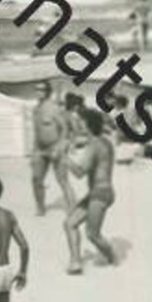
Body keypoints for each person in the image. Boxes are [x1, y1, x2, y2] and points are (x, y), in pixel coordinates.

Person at [64, 109, 117, 274]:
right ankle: (75, 263)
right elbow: (87, 145)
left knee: (92, 234)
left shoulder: (94, 145)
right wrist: (75, 144)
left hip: (100, 194)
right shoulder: (104, 141)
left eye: (82, 122)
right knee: (69, 224)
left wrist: (64, 158)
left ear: (88, 125)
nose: (79, 125)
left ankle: (112, 258)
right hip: (101, 192)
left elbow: (80, 172)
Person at [29, 83, 73, 215]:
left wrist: (59, 148)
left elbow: (65, 129)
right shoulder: (36, 110)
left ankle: (72, 208)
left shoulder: (54, 108)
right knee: (36, 179)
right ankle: (40, 207)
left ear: (47, 92)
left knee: (62, 180)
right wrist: (33, 151)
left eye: (41, 90)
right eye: (37, 89)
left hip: (56, 147)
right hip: (40, 149)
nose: (38, 92)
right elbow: (37, 132)